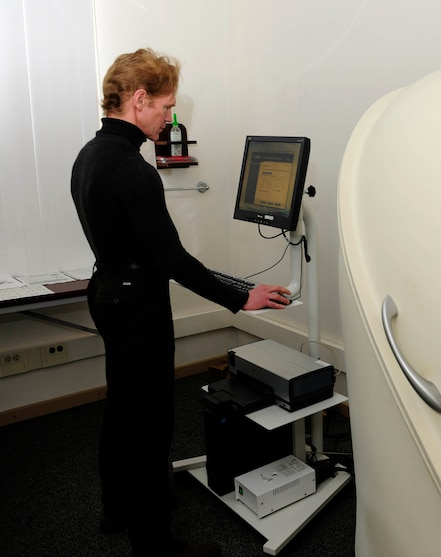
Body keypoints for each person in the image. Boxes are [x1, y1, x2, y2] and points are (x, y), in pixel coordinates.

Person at [71, 48, 290, 557]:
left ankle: (117, 509)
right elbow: (173, 260)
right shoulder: (132, 169)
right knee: (150, 421)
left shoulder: (90, 154)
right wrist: (242, 297)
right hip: (137, 304)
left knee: (123, 407)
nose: (171, 119)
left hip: (107, 292)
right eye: (167, 107)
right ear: (139, 99)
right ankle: (155, 544)